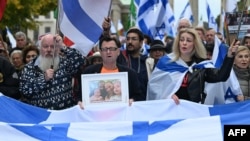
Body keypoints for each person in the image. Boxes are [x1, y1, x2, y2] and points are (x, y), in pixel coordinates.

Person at [147, 28, 239, 104]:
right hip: (171, 110)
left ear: (195, 44)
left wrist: (230, 55)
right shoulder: (166, 62)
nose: (184, 43)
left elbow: (221, 76)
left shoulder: (201, 65)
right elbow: (155, 87)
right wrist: (167, 95)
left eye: (188, 40)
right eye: (182, 40)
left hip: (194, 111)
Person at [19, 34, 86, 110]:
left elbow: (81, 61)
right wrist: (43, 79)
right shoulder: (29, 68)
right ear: (40, 48)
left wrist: (62, 46)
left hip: (65, 113)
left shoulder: (65, 63)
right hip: (41, 116)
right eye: (45, 46)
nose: (49, 49)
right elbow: (25, 91)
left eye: (52, 46)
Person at [78, 36, 143, 108]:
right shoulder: (89, 72)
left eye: (112, 49)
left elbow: (139, 96)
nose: (108, 52)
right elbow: (80, 96)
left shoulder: (130, 74)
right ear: (100, 52)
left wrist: (132, 100)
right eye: (105, 49)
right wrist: (80, 102)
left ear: (118, 52)